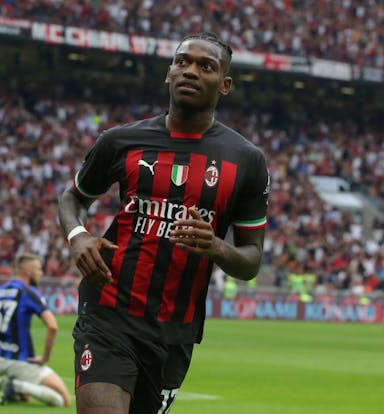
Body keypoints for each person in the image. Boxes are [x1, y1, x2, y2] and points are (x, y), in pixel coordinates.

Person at [58, 31, 269, 414]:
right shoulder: (121, 140)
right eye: (182, 61)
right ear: (168, 73)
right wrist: (78, 236)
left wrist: (216, 247)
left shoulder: (246, 161)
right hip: (109, 311)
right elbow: (73, 197)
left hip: (175, 330)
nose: (190, 71)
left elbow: (252, 260)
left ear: (225, 85)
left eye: (206, 66)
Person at [0, 253, 71, 407]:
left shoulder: (1, 290)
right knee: (64, 400)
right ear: (27, 271)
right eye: (39, 269)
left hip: (0, 360)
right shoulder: (28, 292)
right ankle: (15, 385)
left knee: (25, 397)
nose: (41, 273)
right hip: (21, 362)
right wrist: (45, 358)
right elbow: (52, 326)